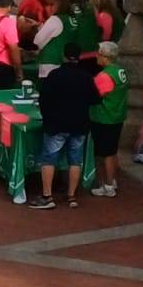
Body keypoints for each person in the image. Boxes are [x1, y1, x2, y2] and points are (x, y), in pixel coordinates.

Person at [31, 43, 99, 210]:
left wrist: (47, 118)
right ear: (79, 56)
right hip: (79, 124)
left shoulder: (54, 76)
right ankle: (72, 195)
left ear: (63, 55)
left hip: (56, 124)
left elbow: (43, 99)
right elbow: (95, 99)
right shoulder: (86, 77)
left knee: (49, 159)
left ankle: (47, 196)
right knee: (75, 160)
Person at [86, 40, 129, 198]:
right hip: (117, 115)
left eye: (99, 54)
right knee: (112, 150)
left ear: (106, 57)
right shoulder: (120, 71)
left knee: (104, 153)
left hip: (103, 118)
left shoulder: (103, 76)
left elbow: (93, 95)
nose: (97, 56)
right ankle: (113, 180)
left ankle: (108, 185)